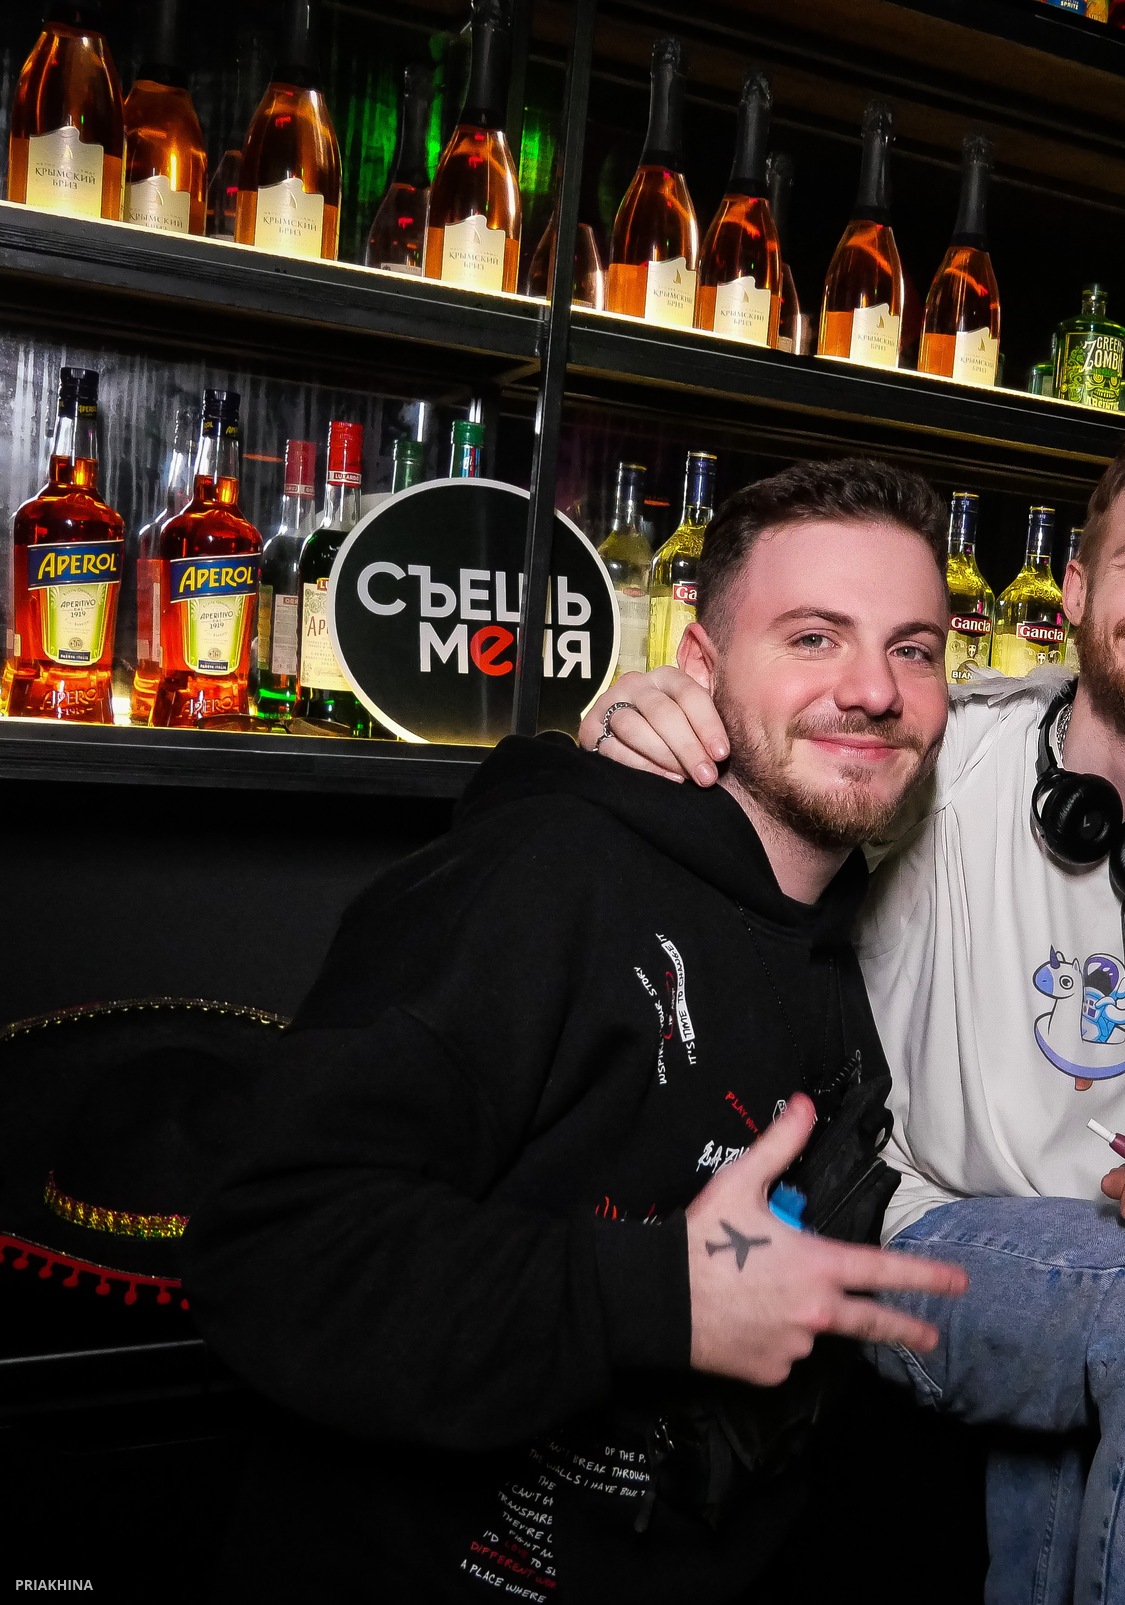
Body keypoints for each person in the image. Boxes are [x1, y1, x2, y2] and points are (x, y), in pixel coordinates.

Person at [582, 408, 1125, 1604]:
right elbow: (779, 749)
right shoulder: (943, 763)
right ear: (1077, 589)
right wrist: (643, 716)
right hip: (910, 1231)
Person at [183, 458, 971, 1604]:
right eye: (813, 637)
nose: (874, 690)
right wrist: (658, 1298)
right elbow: (271, 1250)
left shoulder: (831, 957)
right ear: (699, 665)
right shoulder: (543, 879)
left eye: (915, 649)